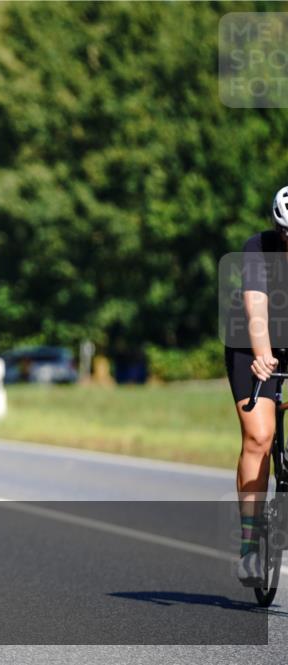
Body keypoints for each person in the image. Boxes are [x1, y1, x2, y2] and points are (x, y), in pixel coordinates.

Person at [227, 184, 288, 584]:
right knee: (260, 437)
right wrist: (264, 354)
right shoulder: (258, 249)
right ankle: (250, 546)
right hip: (251, 345)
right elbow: (257, 308)